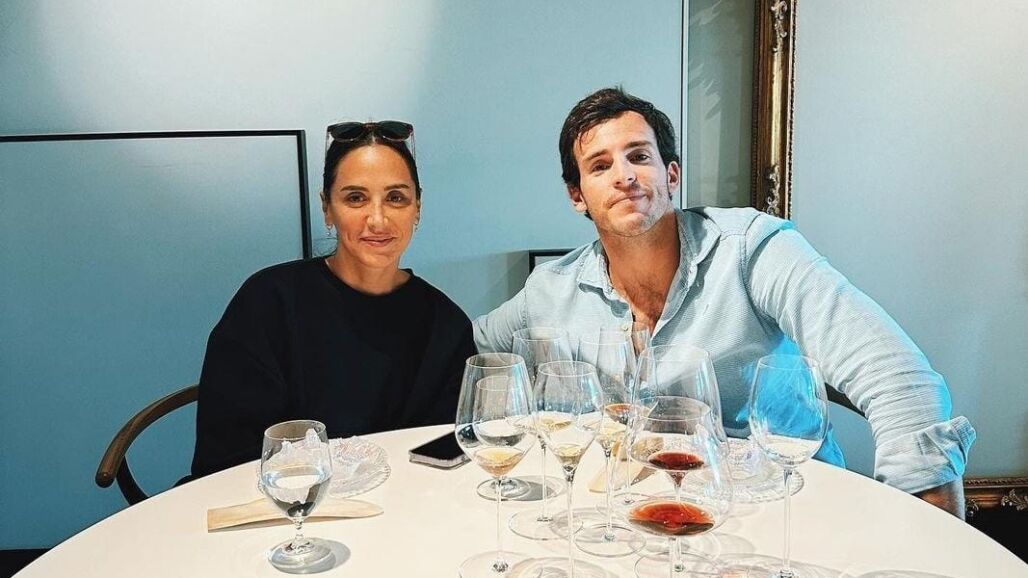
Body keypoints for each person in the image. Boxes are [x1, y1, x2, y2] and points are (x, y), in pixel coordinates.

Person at [474, 87, 975, 517]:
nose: (624, 176)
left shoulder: (754, 250)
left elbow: (901, 383)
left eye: (640, 156)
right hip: (645, 520)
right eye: (600, 166)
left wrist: (925, 541)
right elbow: (466, 350)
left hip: (788, 515)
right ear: (577, 196)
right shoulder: (550, 291)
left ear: (671, 175)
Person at [191, 120, 476, 478]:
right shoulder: (268, 304)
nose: (378, 220)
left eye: (396, 198)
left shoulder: (446, 325)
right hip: (287, 503)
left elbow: (449, 455)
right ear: (327, 208)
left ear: (417, 208)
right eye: (355, 198)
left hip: (407, 503)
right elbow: (225, 464)